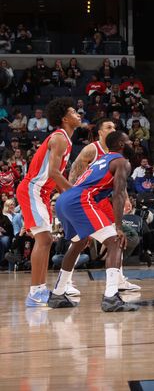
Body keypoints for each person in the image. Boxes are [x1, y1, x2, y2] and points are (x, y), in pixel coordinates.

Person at [48, 131, 138, 311]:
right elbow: (119, 194)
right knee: (115, 242)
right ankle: (111, 297)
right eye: (128, 141)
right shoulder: (122, 162)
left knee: (79, 243)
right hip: (80, 200)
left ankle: (57, 294)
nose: (132, 143)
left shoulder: (101, 160)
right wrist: (118, 227)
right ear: (121, 144)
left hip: (64, 200)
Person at [15, 98, 80, 307]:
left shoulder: (66, 140)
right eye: (73, 112)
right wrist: (74, 193)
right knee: (44, 240)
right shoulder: (60, 138)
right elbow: (52, 172)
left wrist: (67, 192)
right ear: (64, 118)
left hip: (41, 192)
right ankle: (35, 292)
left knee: (46, 240)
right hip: (33, 189)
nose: (78, 114)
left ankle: (40, 289)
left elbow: (55, 176)